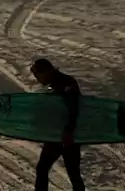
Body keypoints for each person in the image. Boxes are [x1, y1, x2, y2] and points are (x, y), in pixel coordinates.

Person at [29, 58, 85, 191]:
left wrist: (68, 131)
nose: (37, 80)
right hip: (57, 135)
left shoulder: (67, 84)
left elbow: (74, 109)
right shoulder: (53, 85)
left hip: (67, 137)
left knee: (71, 173)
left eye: (38, 76)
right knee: (46, 169)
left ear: (46, 71)